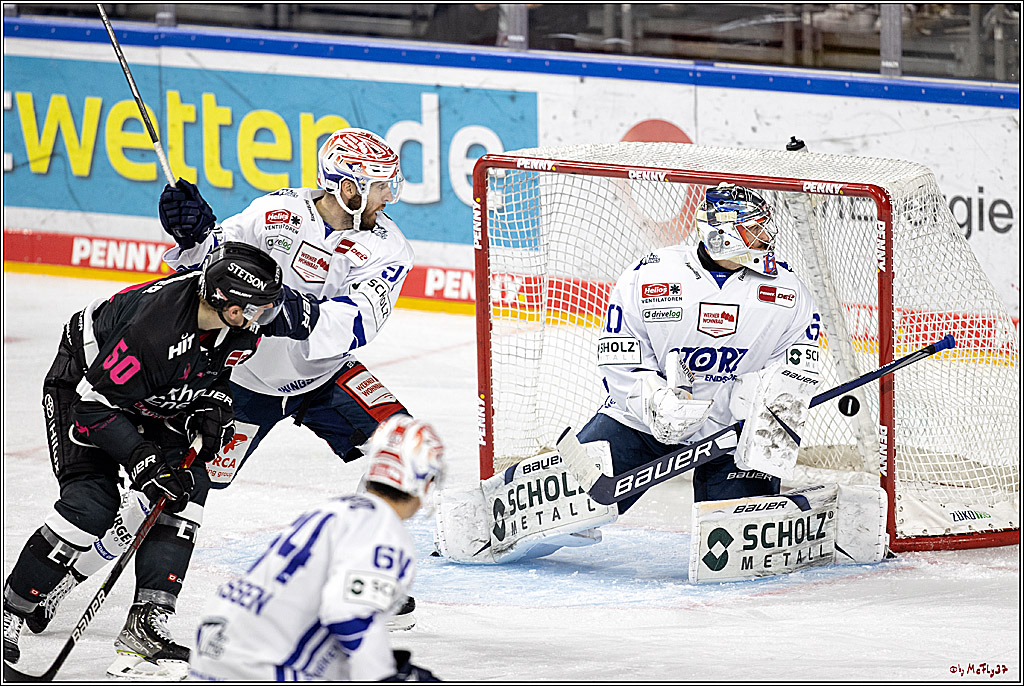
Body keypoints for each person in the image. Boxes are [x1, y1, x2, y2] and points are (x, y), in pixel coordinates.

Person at [2, 242, 284, 678]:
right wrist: (143, 461)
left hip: (148, 393)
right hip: (86, 389)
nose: (259, 320)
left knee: (187, 488)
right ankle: (10, 611)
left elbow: (216, 375)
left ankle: (145, 624)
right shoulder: (155, 329)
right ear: (225, 298)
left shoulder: (238, 327)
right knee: (90, 506)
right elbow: (92, 410)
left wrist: (214, 405)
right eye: (254, 309)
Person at [578, 181, 821, 513]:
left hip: (735, 435)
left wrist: (765, 402)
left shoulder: (787, 290)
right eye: (753, 229)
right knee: (568, 505)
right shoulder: (651, 274)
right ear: (721, 235)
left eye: (764, 227)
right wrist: (651, 399)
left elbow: (801, 363)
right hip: (642, 423)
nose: (765, 237)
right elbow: (620, 352)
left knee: (735, 550)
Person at [188, 414, 444, 682]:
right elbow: (349, 616)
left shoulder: (334, 510)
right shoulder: (384, 532)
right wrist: (382, 675)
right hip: (261, 660)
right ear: (424, 481)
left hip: (218, 638)